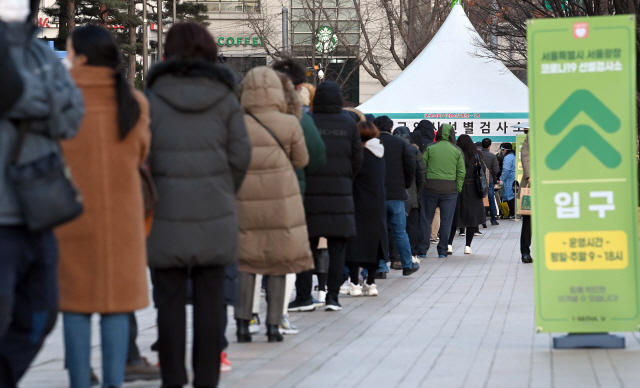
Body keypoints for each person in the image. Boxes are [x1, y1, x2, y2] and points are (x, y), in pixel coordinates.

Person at [145, 22, 251, 388]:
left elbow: (141, 158)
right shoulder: (225, 99)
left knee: (169, 305)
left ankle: (172, 380)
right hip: (215, 215)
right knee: (211, 304)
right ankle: (207, 380)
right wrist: (222, 190)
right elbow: (241, 156)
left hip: (164, 216)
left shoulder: (152, 99)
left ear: (167, 54)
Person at [54, 25, 150, 388]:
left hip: (70, 214)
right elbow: (142, 153)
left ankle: (79, 382)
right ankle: (114, 382)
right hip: (122, 219)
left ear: (79, 55)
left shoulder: (60, 97)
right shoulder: (132, 101)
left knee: (75, 305)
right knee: (116, 302)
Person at [0, 1, 85, 386]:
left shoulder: (40, 52)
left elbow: (71, 117)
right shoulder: (45, 64)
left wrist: (19, 97)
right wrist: (42, 102)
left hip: (39, 208)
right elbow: (58, 105)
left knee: (43, 311)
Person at [234, 66, 312, 343]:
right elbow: (302, 160)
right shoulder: (290, 122)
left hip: (244, 198)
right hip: (282, 198)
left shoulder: (236, 122)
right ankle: (273, 325)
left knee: (246, 261)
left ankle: (243, 323)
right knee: (279, 261)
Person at [289, 81, 363, 312]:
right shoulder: (349, 123)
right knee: (337, 250)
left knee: (305, 248)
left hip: (309, 196)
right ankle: (332, 297)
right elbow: (357, 159)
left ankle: (304, 297)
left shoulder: (307, 122)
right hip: (341, 196)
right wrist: (345, 179)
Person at [272, 58, 327, 321]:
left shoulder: (245, 114)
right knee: (294, 248)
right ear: (298, 86)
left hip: (251, 199)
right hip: (292, 194)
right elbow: (316, 159)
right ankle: (282, 311)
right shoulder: (301, 120)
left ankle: (246, 314)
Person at [345, 121, 388, 296]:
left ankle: (355, 284)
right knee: (373, 244)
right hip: (377, 204)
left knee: (356, 244)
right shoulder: (380, 154)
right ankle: (371, 283)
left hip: (357, 203)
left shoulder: (358, 154)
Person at [375, 117, 419, 276]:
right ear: (391, 127)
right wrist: (404, 185)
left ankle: (380, 268)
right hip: (397, 194)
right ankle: (407, 265)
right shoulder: (400, 144)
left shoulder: (372, 143)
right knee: (400, 231)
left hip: (377, 194)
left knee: (379, 231)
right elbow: (410, 166)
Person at [421, 124, 466, 258]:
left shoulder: (429, 147)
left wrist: (423, 185)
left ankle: (423, 250)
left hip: (429, 188)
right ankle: (442, 251)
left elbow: (422, 168)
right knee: (446, 221)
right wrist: (457, 188)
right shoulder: (457, 150)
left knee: (426, 220)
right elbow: (461, 172)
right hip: (450, 190)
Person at [446, 135, 486, 255]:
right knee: (472, 218)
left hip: (458, 188)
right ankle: (468, 246)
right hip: (473, 189)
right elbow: (482, 170)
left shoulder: (455, 154)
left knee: (455, 217)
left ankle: (449, 245)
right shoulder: (476, 155)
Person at [520, 125, 533, 264]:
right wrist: (529, 175)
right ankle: (525, 252)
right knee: (529, 219)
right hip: (535, 182)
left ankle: (526, 252)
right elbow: (525, 154)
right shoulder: (533, 133)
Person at [481, 138, 500, 226]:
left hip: (479, 180)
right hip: (490, 181)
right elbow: (496, 170)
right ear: (489, 146)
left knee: (479, 200)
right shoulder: (492, 156)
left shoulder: (478, 155)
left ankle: (481, 219)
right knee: (491, 199)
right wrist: (491, 174)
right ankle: (493, 219)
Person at [499, 143, 516, 218]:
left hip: (509, 179)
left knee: (509, 196)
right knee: (510, 195)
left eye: (502, 150)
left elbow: (506, 169)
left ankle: (512, 213)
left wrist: (501, 179)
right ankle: (509, 213)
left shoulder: (507, 158)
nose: (502, 152)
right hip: (512, 178)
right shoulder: (513, 156)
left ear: (505, 150)